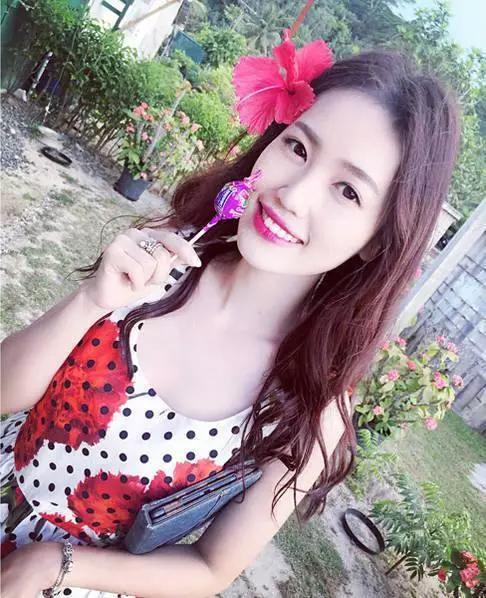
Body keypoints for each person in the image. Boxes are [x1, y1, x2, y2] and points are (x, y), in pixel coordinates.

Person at [0, 44, 460, 597]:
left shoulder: (308, 405)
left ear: (377, 240)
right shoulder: (162, 260)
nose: (293, 195)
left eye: (347, 191)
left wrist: (52, 563)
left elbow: (211, 568)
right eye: (298, 147)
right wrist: (89, 302)